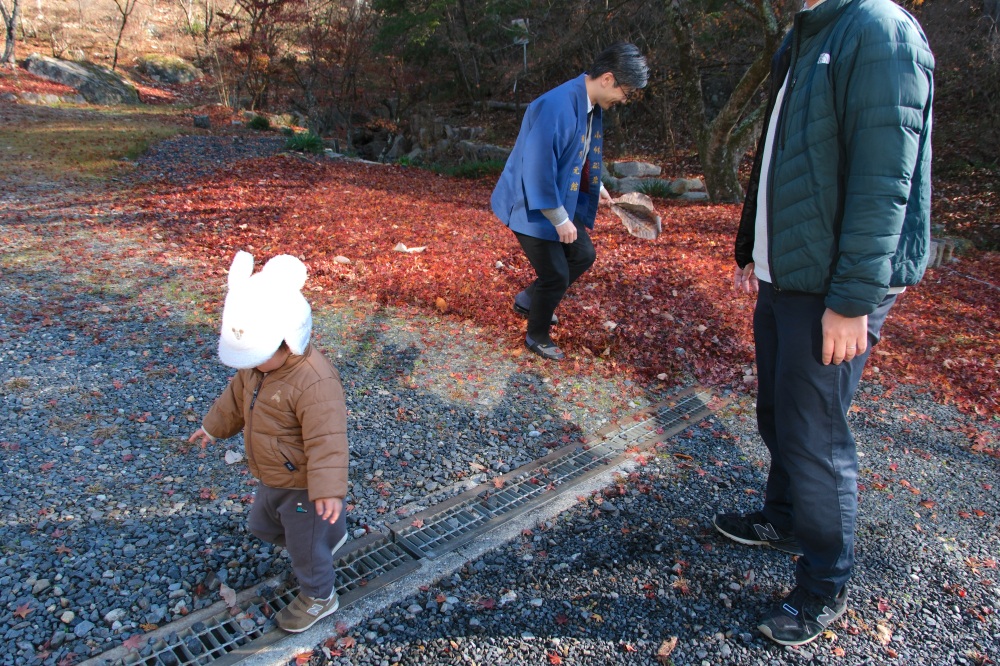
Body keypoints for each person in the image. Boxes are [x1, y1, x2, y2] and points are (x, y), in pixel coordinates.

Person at [714, 0, 934, 647]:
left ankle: (824, 582)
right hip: (790, 271)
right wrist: (752, 249)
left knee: (815, 437)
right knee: (778, 415)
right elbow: (779, 154)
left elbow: (883, 178)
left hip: (836, 287)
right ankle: (782, 518)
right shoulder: (805, 35)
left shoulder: (878, 30)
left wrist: (852, 300)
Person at [188, 251, 349, 634]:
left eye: (260, 356)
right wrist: (212, 427)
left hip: (304, 486)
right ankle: (329, 535)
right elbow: (234, 399)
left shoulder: (314, 381)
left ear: (289, 338)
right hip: (274, 472)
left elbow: (328, 438)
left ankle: (319, 596)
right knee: (262, 524)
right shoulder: (258, 368)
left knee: (305, 550)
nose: (254, 365)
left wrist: (327, 489)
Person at [491, 41, 648, 361]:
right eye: (625, 92)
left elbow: (577, 152)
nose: (623, 99)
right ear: (607, 79)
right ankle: (536, 335)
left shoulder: (586, 102)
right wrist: (560, 218)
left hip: (557, 198)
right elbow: (537, 167)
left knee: (583, 254)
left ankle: (528, 300)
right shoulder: (557, 105)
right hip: (528, 205)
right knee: (556, 274)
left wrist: (597, 185)